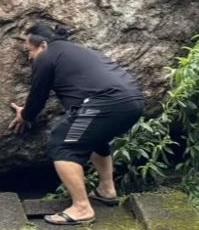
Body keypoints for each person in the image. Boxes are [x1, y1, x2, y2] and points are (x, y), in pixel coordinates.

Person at [9, 23, 144, 226]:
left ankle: (82, 208)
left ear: (43, 45)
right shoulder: (80, 51)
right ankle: (106, 190)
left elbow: (38, 96)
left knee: (61, 143)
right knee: (90, 138)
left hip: (105, 102)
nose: (29, 57)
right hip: (132, 101)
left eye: (29, 51)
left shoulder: (46, 56)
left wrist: (26, 115)